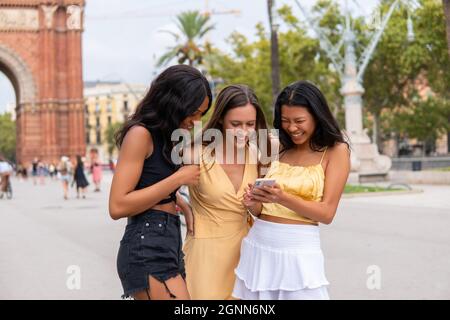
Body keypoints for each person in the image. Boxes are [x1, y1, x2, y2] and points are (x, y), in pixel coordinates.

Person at [233, 80, 351, 300]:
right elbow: (264, 211)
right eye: (286, 121)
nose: (292, 128)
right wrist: (254, 203)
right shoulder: (280, 148)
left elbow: (326, 213)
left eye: (299, 121)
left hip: (299, 251)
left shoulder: (336, 151)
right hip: (259, 245)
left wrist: (282, 197)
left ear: (317, 116)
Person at [109, 64, 212, 300]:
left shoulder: (166, 136)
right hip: (147, 244)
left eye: (201, 115)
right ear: (173, 102)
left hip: (168, 240)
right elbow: (118, 206)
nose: (195, 121)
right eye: (193, 112)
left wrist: (181, 203)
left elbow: (148, 182)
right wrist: (178, 178)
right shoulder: (139, 135)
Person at [182, 84, 269, 299]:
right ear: (220, 119)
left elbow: (260, 211)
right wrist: (181, 202)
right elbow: (154, 181)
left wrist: (256, 204)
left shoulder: (257, 155)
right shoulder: (194, 154)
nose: (244, 131)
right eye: (235, 124)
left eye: (250, 124)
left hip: (247, 254)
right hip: (205, 255)